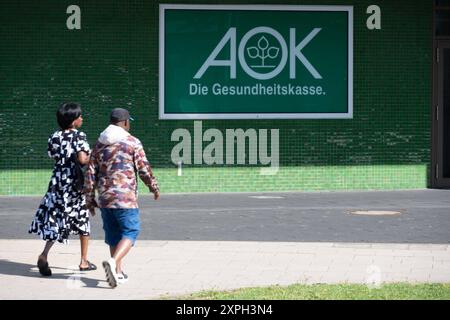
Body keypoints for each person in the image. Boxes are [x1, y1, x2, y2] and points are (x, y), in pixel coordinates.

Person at [85, 108, 160, 288]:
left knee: (113, 236)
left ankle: (117, 273)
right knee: (130, 231)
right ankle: (113, 262)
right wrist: (153, 187)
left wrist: (89, 199)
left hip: (105, 198)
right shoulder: (132, 142)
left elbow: (90, 173)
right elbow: (143, 169)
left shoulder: (99, 144)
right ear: (125, 122)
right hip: (125, 197)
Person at [29, 102, 97, 276]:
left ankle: (44, 255)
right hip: (74, 184)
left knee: (56, 218)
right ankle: (83, 261)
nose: (82, 118)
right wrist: (92, 156)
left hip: (57, 182)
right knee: (82, 219)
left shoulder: (54, 136)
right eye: (79, 116)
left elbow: (52, 155)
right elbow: (82, 159)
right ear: (73, 120)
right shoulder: (79, 135)